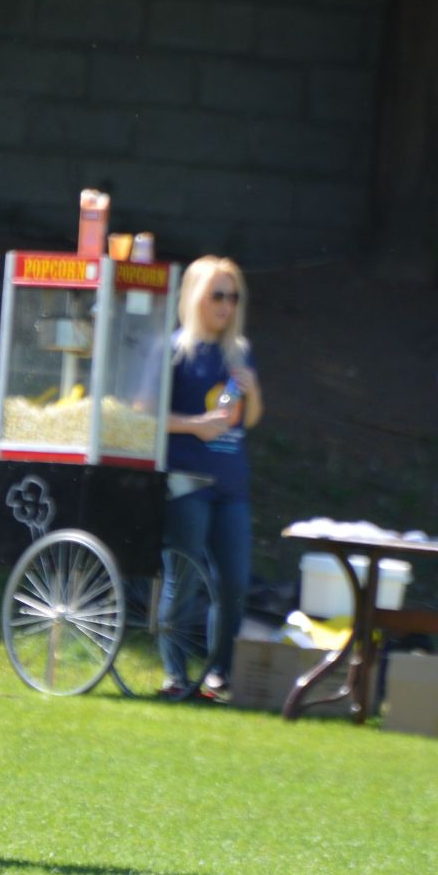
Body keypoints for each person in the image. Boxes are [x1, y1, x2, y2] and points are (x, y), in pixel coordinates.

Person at [162, 256, 263, 701]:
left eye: (233, 296)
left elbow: (248, 420)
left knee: (234, 582)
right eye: (217, 295)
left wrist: (254, 391)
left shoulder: (239, 351)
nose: (226, 305)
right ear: (195, 296)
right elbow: (144, 416)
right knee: (183, 577)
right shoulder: (175, 349)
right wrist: (195, 425)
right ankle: (175, 675)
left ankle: (219, 675)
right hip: (186, 482)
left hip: (231, 485)